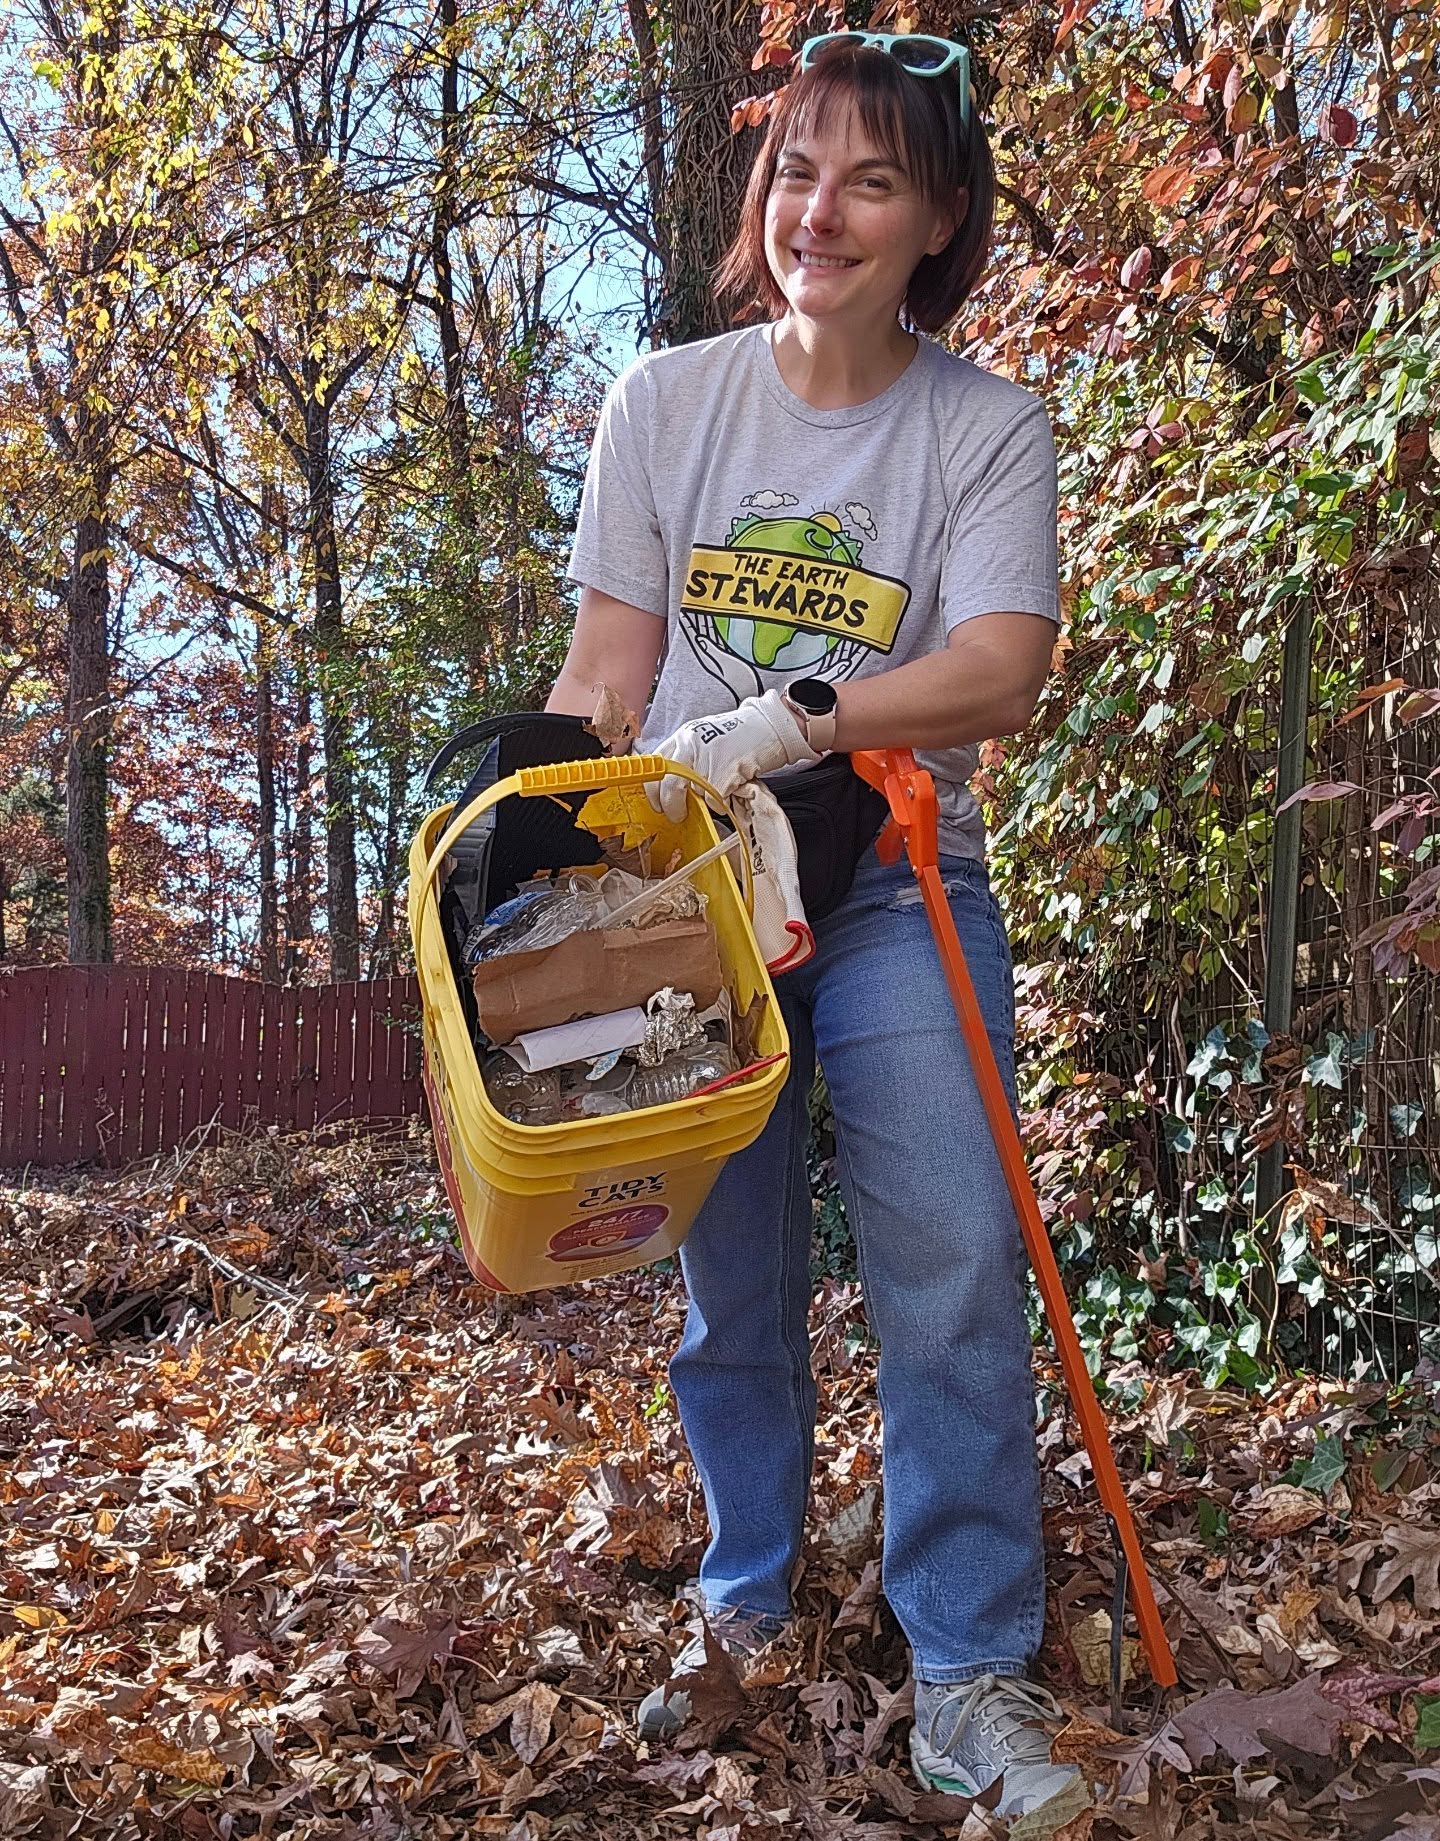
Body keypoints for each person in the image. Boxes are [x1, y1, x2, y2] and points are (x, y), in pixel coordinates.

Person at [547, 32, 1084, 1833]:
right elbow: (606, 675)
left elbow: (1000, 666)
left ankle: (971, 1664)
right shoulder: (664, 402)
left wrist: (806, 717)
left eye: (871, 180)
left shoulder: (983, 427)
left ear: (939, 216)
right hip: (691, 899)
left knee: (951, 1249)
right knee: (734, 1280)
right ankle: (743, 1602)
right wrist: (538, 835)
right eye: (796, 170)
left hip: (896, 878)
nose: (820, 212)